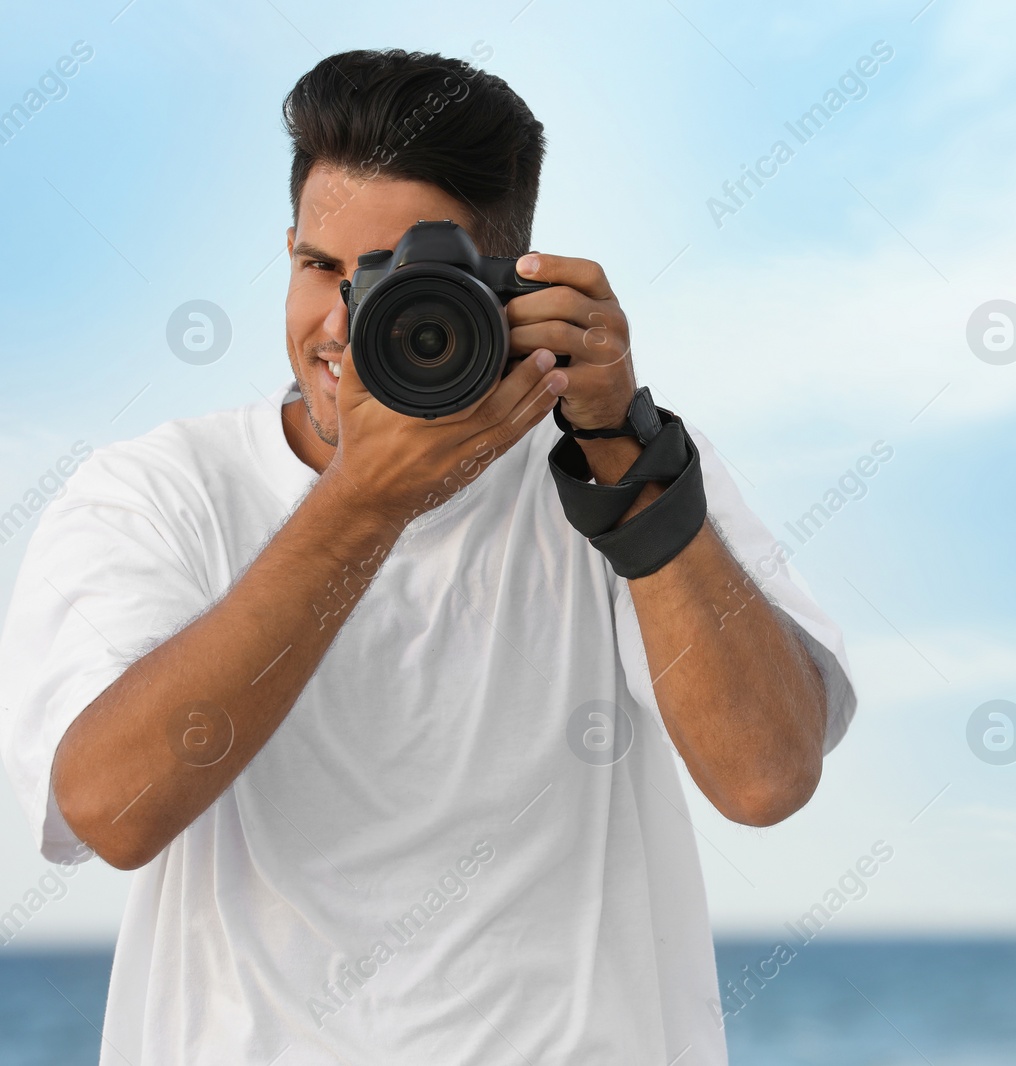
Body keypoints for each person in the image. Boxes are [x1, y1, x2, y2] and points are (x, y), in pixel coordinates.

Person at [0, 49, 854, 1065]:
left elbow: (764, 777)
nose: (344, 325)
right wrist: (365, 499)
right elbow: (114, 811)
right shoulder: (156, 492)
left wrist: (624, 448)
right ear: (288, 249)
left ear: (510, 285)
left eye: (403, 281)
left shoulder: (624, 463)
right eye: (323, 267)